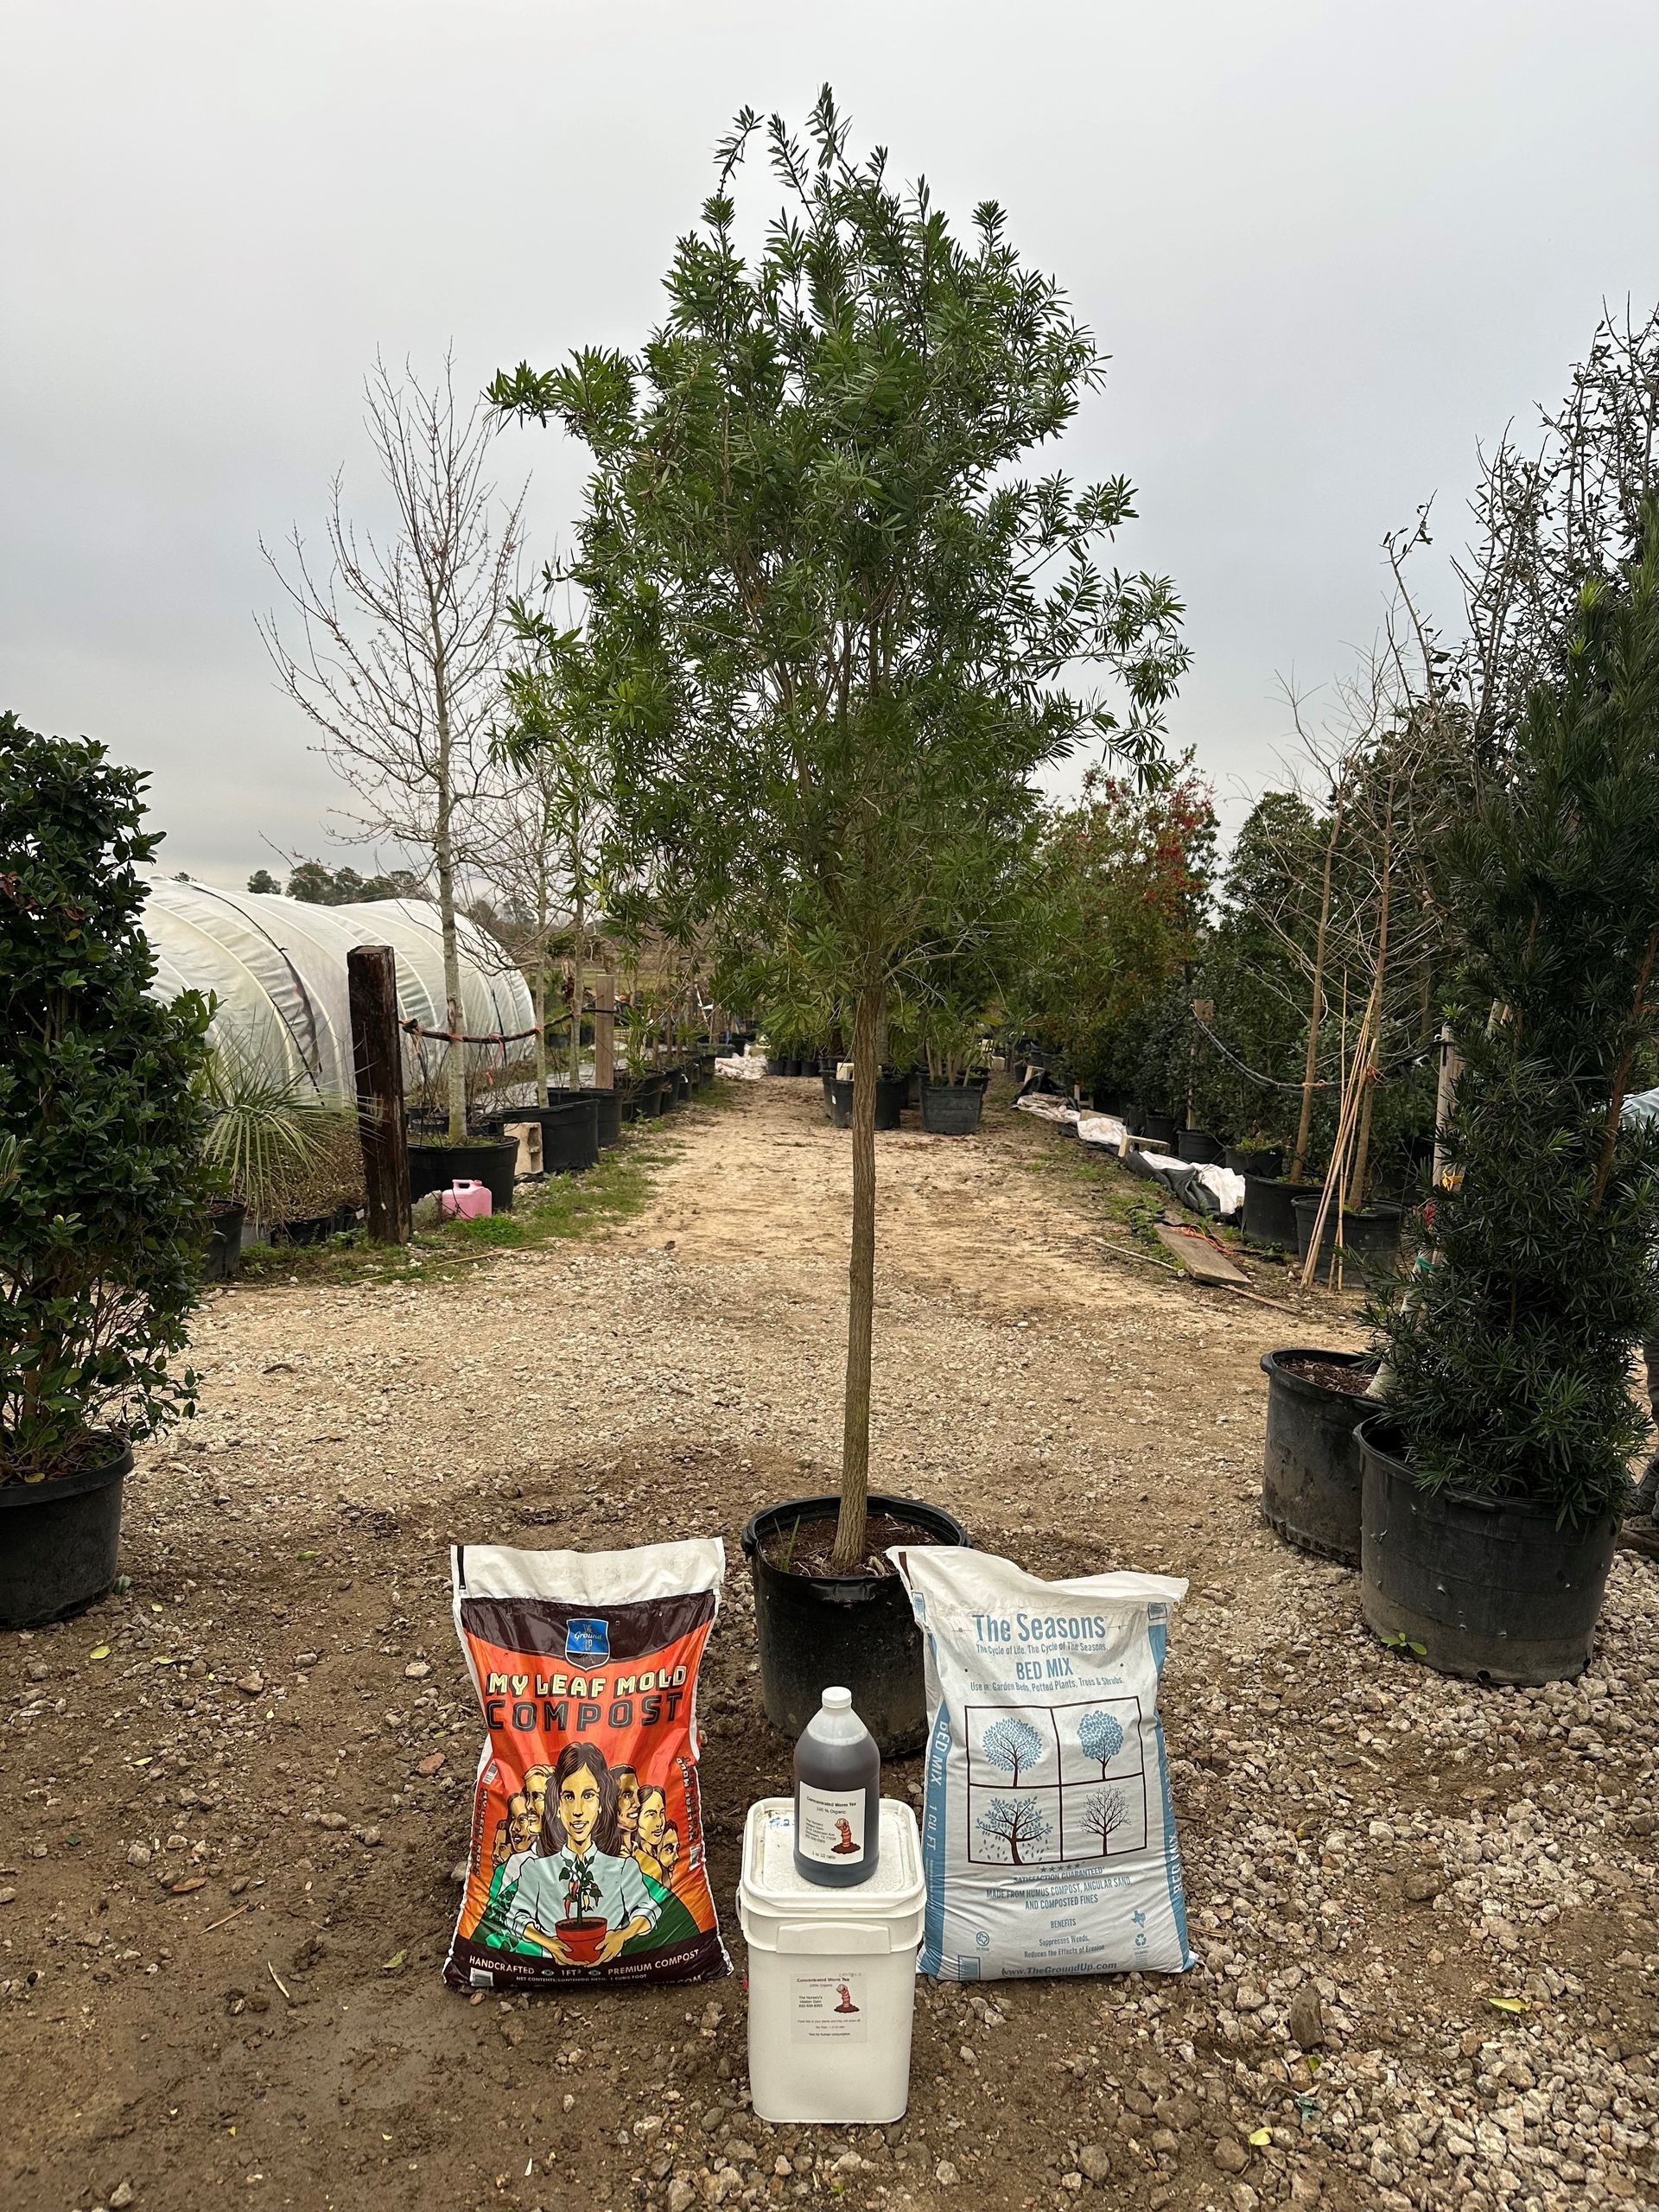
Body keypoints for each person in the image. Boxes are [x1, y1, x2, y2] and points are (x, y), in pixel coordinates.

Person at [506, 1745, 660, 1966]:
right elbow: (516, 1917)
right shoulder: (535, 1870)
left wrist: (621, 1936)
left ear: (600, 1804)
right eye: (569, 1796)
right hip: (551, 1968)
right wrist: (548, 1944)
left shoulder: (624, 1868)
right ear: (557, 1806)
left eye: (588, 1795)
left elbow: (647, 1911)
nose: (577, 1810)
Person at [632, 1783, 671, 1886]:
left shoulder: (661, 1855)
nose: (659, 1823)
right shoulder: (632, 1860)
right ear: (636, 1817)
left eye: (661, 1813)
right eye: (651, 1814)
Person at [611, 1764, 640, 1857]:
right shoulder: (600, 1857)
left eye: (637, 1794)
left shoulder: (644, 1856)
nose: (638, 1803)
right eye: (628, 1795)